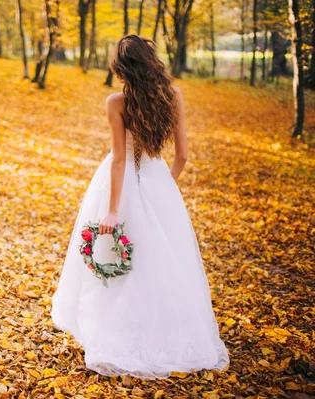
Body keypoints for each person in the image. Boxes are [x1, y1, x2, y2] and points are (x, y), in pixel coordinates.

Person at [50, 35, 229, 379]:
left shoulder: (116, 102)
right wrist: (161, 188)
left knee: (116, 259)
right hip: (158, 179)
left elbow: (119, 161)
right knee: (160, 260)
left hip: (120, 185)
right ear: (151, 62)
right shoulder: (172, 95)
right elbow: (183, 155)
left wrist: (113, 211)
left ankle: (117, 328)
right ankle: (159, 329)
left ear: (122, 69)